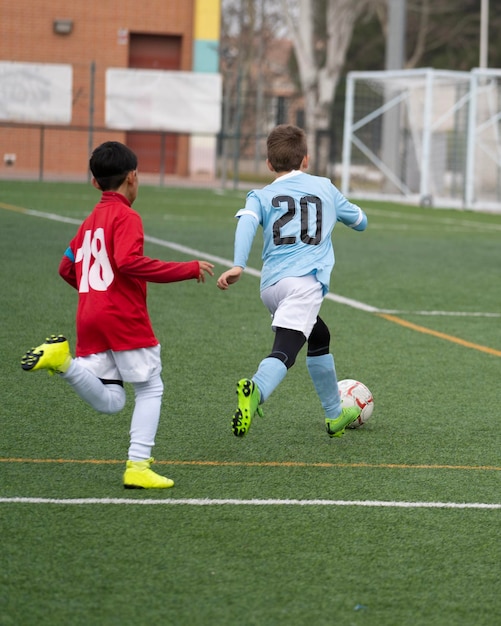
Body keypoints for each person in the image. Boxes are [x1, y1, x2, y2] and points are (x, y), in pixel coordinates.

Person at [21, 141, 214, 488]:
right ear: (132, 177)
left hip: (90, 315)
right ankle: (138, 467)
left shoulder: (89, 221)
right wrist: (187, 268)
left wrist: (94, 294)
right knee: (150, 388)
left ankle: (64, 362)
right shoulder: (126, 216)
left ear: (95, 183)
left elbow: (67, 267)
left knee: (112, 400)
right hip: (122, 317)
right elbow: (128, 262)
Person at [217, 124, 368, 439]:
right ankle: (255, 390)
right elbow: (360, 222)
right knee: (285, 350)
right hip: (304, 283)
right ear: (307, 160)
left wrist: (238, 265)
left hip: (271, 286)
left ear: (270, 165)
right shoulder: (325, 187)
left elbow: (246, 222)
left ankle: (334, 416)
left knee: (319, 335)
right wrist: (347, 215)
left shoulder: (260, 194)